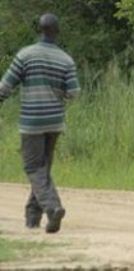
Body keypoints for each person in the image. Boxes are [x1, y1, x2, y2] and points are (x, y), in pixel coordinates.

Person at [0, 13, 80, 233]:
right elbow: (73, 93)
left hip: (32, 120)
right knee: (42, 168)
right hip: (54, 121)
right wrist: (56, 94)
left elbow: (5, 87)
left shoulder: (25, 55)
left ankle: (53, 207)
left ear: (40, 29)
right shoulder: (66, 59)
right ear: (57, 31)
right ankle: (32, 218)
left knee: (33, 167)